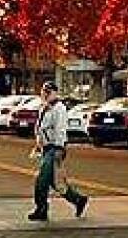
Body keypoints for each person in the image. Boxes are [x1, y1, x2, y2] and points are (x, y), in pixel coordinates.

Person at [27, 81, 89, 222]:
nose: (45, 94)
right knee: (56, 183)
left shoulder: (59, 108)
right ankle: (79, 200)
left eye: (48, 91)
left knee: (41, 180)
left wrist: (59, 148)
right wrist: (38, 144)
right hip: (46, 148)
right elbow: (41, 128)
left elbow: (60, 130)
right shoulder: (45, 108)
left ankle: (41, 209)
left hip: (54, 149)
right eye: (44, 91)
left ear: (55, 93)